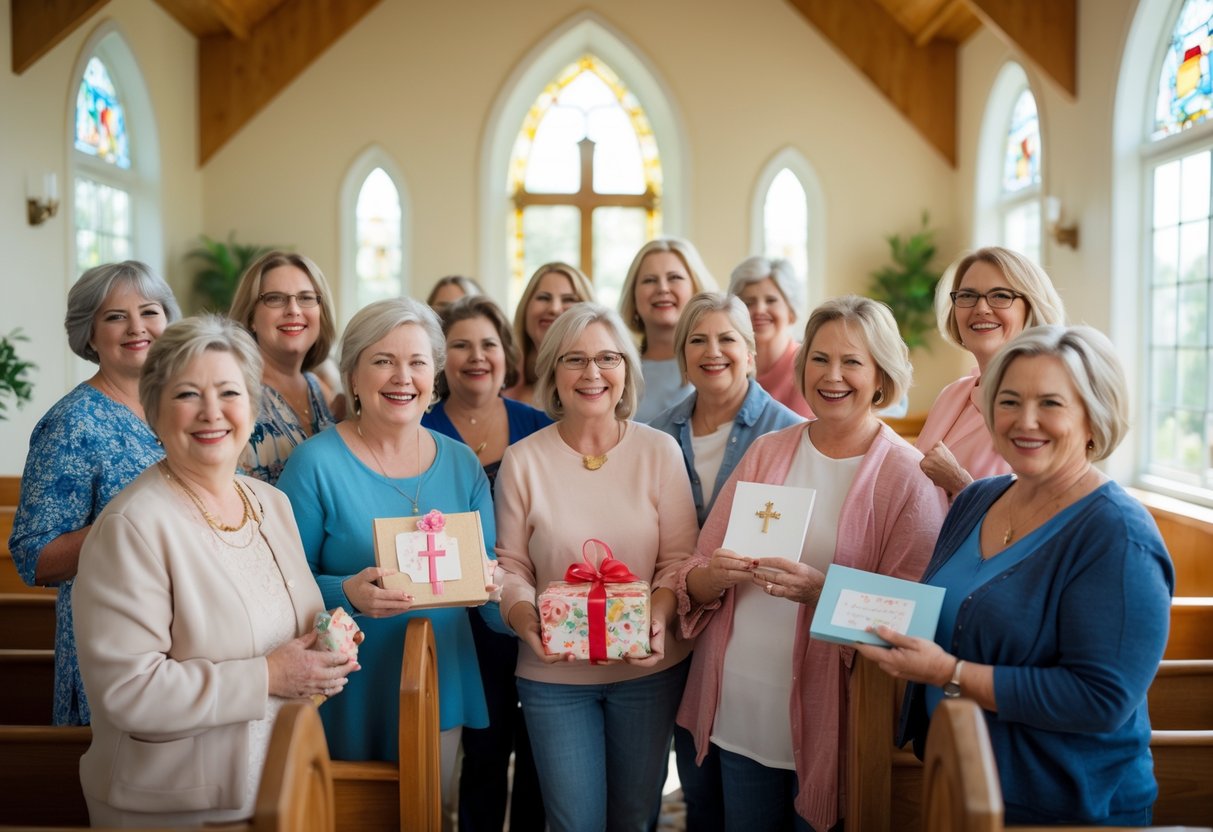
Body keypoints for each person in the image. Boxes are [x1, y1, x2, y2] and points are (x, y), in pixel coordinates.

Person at [857, 325, 1173, 826]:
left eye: (1051, 403)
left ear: (1095, 416)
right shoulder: (980, 498)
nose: (1025, 421)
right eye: (1009, 401)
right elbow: (939, 609)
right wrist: (824, 595)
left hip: (1061, 804)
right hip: (956, 776)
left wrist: (950, 674)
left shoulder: (1116, 535)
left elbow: (1100, 700)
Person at [676, 296, 947, 832]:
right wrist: (714, 575)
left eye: (852, 361)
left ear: (881, 376)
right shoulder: (769, 451)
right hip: (739, 699)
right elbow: (697, 568)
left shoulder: (908, 476)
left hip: (829, 714)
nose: (833, 375)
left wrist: (822, 593)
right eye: (820, 359)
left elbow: (909, 618)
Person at [73, 315, 356, 826]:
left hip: (283, 784)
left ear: (251, 405)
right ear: (153, 409)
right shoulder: (132, 526)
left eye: (229, 392)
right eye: (187, 395)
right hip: (178, 805)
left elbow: (291, 627)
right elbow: (128, 692)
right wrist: (269, 675)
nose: (211, 413)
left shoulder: (270, 503)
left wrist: (326, 646)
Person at [276, 298, 501, 808]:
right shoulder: (315, 465)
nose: (403, 377)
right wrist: (348, 591)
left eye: (417, 362)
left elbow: (485, 585)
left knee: (430, 812)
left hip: (438, 674)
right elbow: (281, 582)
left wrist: (496, 587)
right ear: (353, 375)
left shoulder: (464, 465)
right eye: (383, 361)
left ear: (434, 377)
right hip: (346, 684)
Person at [495, 303, 698, 831]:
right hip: (552, 674)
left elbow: (678, 561)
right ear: (553, 373)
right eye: (575, 359)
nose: (592, 373)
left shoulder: (660, 452)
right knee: (572, 822)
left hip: (648, 671)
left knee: (635, 818)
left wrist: (657, 614)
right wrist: (525, 620)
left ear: (626, 370)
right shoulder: (523, 460)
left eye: (608, 358)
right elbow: (510, 567)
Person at [8, 261, 180, 726]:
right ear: (89, 333)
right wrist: (135, 528)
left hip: (184, 643)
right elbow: (35, 557)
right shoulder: (72, 423)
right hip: (112, 641)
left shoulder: (185, 406)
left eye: (149, 312)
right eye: (115, 316)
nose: (137, 328)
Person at [421, 294, 550, 831]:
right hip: (461, 621)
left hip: (532, 604)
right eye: (460, 345)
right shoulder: (421, 427)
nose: (477, 356)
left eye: (488, 344)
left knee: (541, 750)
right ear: (439, 357)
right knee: (485, 749)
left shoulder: (539, 425)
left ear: (506, 353)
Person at [915, 246, 1065, 497]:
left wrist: (959, 482)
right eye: (967, 296)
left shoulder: (1048, 403)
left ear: (1031, 307)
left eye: (1000, 296)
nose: (981, 308)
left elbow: (1041, 514)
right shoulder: (952, 394)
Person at [650, 292, 804, 527]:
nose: (712, 352)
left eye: (727, 339)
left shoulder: (791, 432)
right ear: (683, 358)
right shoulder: (658, 434)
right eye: (698, 340)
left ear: (750, 355)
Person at [229, 251, 339, 485]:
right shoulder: (235, 391)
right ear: (251, 316)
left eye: (306, 298)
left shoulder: (319, 388)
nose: (293, 309)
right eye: (275, 298)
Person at [620, 238, 718, 422]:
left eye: (675, 278)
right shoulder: (615, 367)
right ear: (633, 295)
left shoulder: (719, 363)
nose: (663, 288)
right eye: (649, 280)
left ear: (696, 288)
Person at [728, 256, 814, 419]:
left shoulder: (808, 366)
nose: (759, 310)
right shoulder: (727, 364)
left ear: (791, 311)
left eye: (771, 300)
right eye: (749, 302)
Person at [503, 262, 595, 406]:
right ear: (525, 309)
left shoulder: (600, 388)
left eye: (568, 299)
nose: (554, 308)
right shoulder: (499, 379)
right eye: (543, 298)